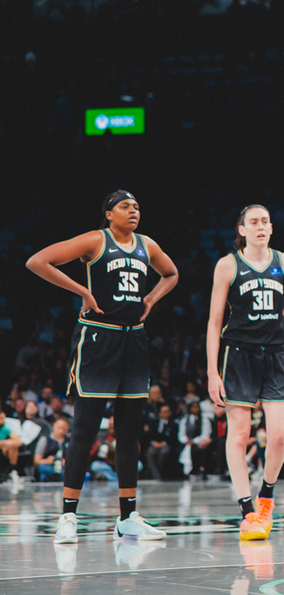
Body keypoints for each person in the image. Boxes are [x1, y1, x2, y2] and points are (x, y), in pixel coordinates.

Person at [26, 190, 177, 544]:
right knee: (85, 429)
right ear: (109, 214)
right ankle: (68, 515)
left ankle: (127, 518)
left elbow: (171, 274)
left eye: (137, 206)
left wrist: (151, 300)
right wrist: (82, 290)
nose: (133, 211)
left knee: (128, 432)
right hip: (98, 338)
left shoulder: (147, 245)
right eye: (125, 206)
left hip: (133, 340)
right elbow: (38, 261)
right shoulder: (96, 240)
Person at [206, 205, 284, 540]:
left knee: (279, 436)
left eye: (265, 221)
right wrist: (212, 371)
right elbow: (214, 323)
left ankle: (266, 495)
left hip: (277, 355)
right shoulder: (228, 265)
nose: (261, 226)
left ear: (271, 228)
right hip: (239, 355)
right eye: (254, 222)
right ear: (243, 229)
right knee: (239, 434)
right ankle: (247, 511)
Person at [35, 417, 69, 482]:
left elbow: (74, 460)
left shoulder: (69, 441)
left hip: (64, 468)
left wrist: (67, 462)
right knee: (42, 468)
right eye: (59, 428)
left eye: (64, 429)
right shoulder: (45, 439)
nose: (61, 431)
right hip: (49, 467)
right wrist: (47, 461)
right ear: (54, 426)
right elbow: (37, 460)